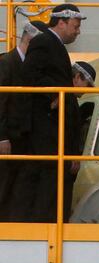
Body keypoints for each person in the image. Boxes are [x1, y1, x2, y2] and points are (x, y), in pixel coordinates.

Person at [18, 4, 87, 223]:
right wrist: (53, 96)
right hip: (44, 129)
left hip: (52, 130)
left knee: (51, 184)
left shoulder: (54, 46)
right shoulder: (44, 42)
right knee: (45, 184)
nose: (78, 32)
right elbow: (28, 73)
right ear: (62, 22)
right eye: (75, 26)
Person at [0, 21, 48, 221]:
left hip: (22, 137)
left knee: (17, 186)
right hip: (8, 137)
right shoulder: (6, 63)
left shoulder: (27, 67)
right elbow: (1, 103)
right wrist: (2, 138)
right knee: (4, 184)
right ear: (29, 42)